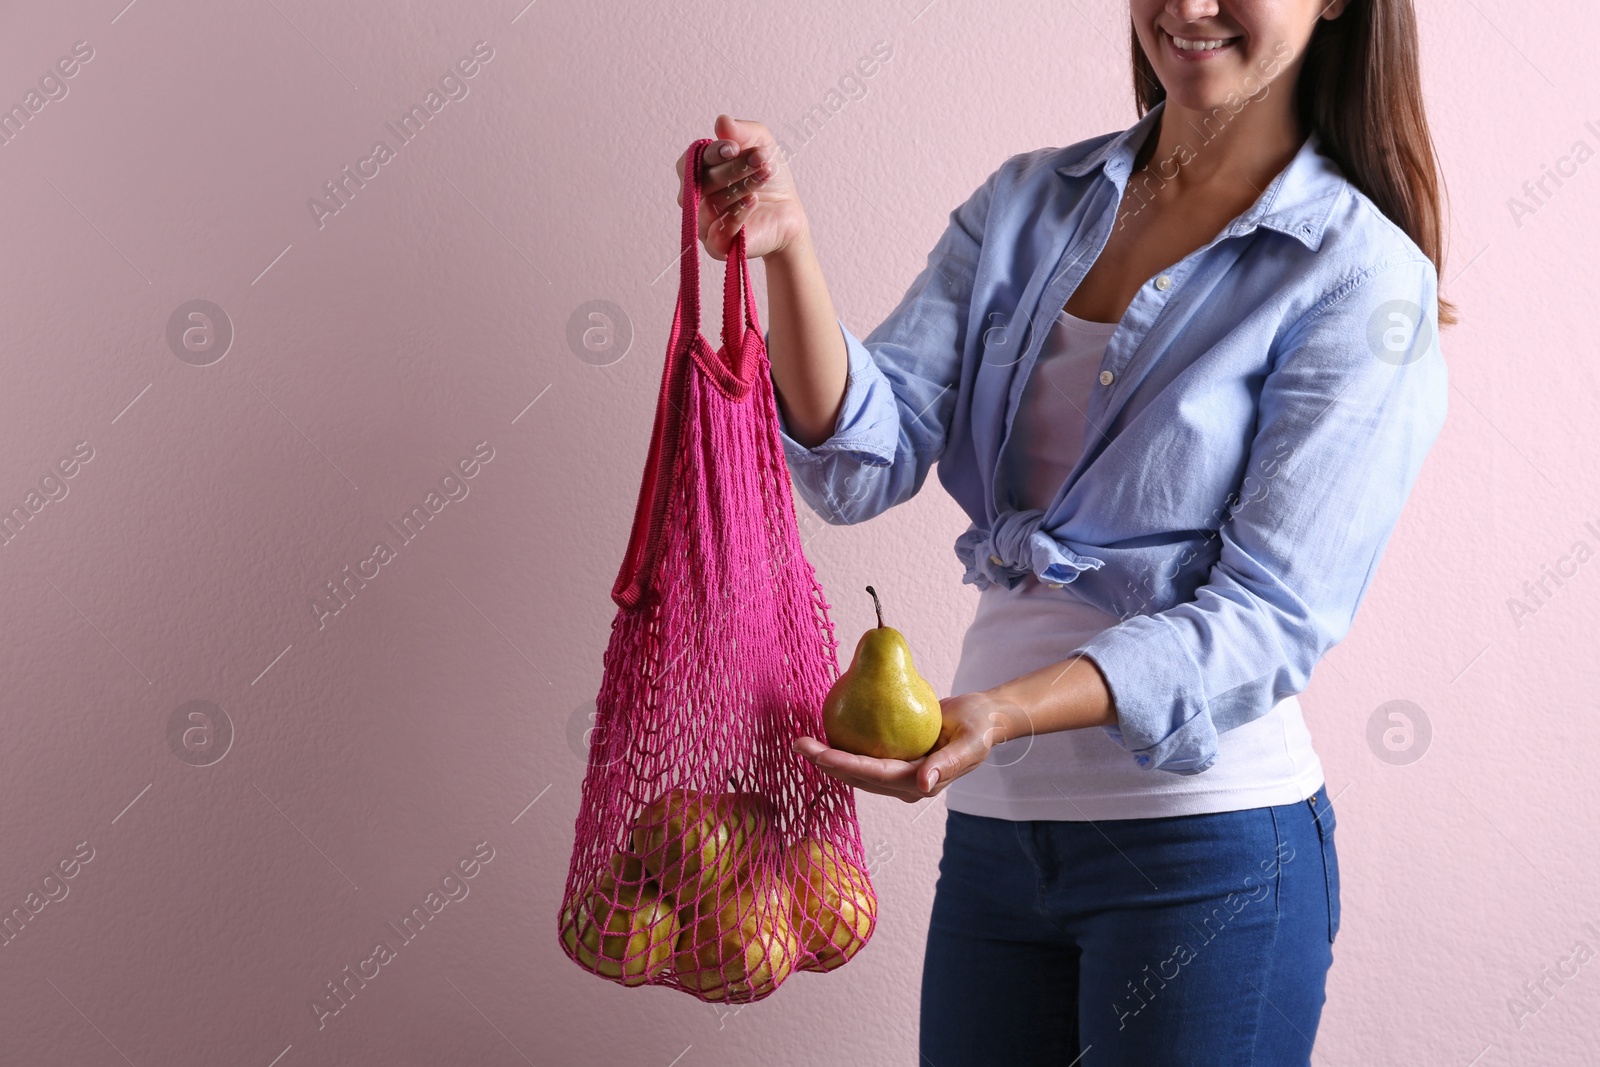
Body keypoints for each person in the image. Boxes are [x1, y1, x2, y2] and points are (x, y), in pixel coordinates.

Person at [677, 0, 1451, 1061]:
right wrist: (787, 247)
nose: (1186, 8)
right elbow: (867, 456)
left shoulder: (1360, 279)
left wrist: (1005, 709)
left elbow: (1267, 616)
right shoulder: (1027, 204)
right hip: (996, 838)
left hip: (1206, 856)